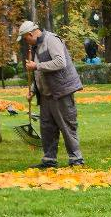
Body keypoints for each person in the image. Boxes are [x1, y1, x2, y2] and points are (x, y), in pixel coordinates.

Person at [17, 20, 84, 168]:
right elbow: (40, 74)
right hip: (46, 95)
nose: (25, 42)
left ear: (30, 34)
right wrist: (33, 90)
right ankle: (49, 160)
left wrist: (37, 66)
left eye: (25, 38)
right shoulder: (35, 47)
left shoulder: (51, 40)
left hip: (61, 92)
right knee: (47, 128)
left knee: (67, 126)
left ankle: (76, 159)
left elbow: (60, 62)